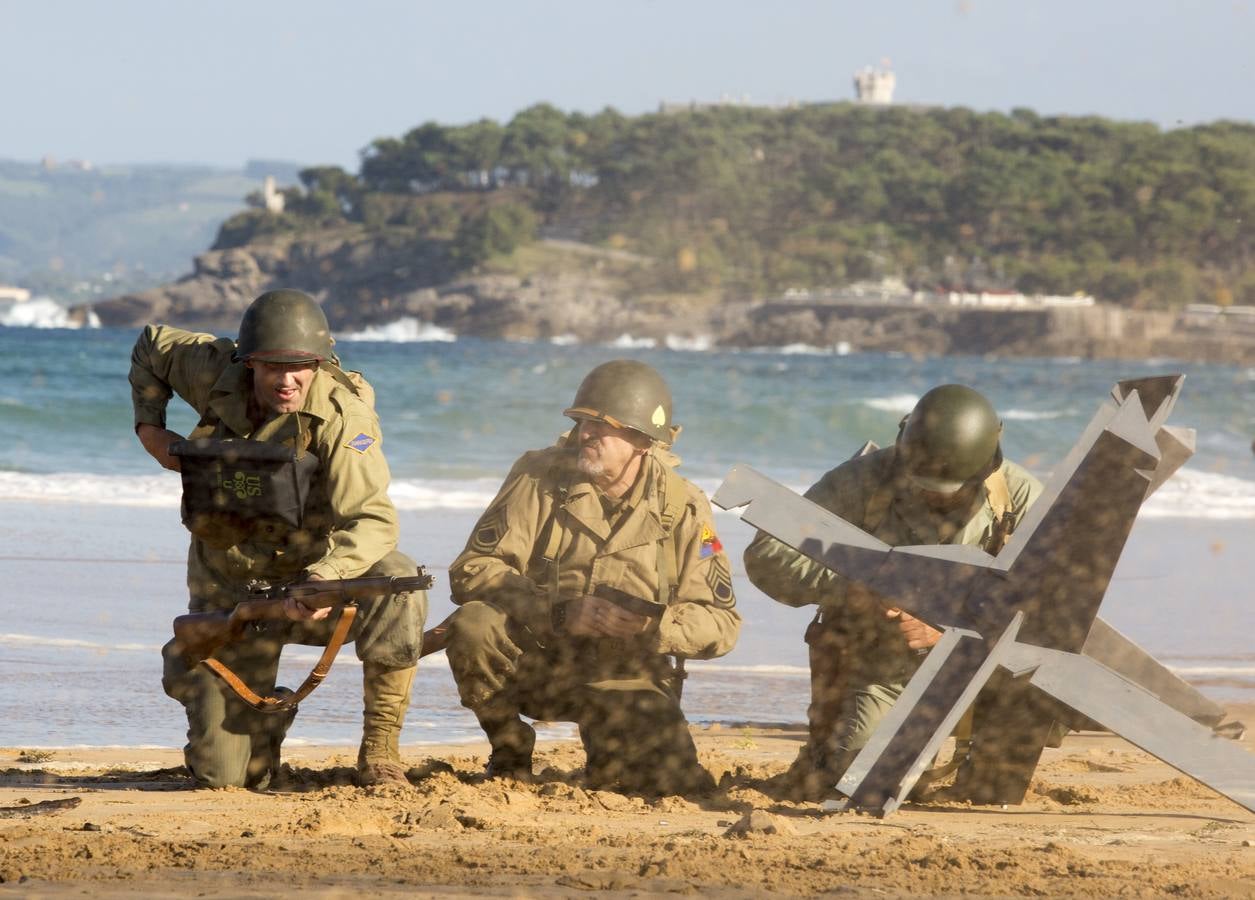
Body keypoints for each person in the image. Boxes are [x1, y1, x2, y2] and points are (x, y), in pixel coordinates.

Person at [130, 288, 427, 789]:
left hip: (312, 585)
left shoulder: (344, 418)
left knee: (397, 578)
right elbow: (150, 344)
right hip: (230, 584)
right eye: (271, 367)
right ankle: (253, 714)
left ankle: (380, 749)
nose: (286, 380)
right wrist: (150, 429)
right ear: (248, 364)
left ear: (320, 362)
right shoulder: (211, 371)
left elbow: (374, 521)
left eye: (300, 367)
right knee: (226, 778)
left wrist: (325, 578)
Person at [443, 360, 741, 795]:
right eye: (582, 422)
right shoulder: (538, 477)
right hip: (540, 667)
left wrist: (654, 625)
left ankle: (611, 753)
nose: (585, 435)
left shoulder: (685, 507)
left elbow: (722, 622)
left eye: (602, 428)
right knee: (475, 623)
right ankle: (509, 750)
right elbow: (472, 569)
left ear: (641, 440)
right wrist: (559, 613)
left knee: (660, 784)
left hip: (625, 676)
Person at [743, 383, 1042, 800]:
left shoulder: (1019, 498)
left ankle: (984, 782)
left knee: (997, 788)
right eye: (920, 481)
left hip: (977, 669)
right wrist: (852, 587)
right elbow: (768, 555)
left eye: (949, 489)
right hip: (883, 669)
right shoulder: (861, 482)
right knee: (862, 782)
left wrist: (949, 633)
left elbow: (1048, 610)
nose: (929, 495)